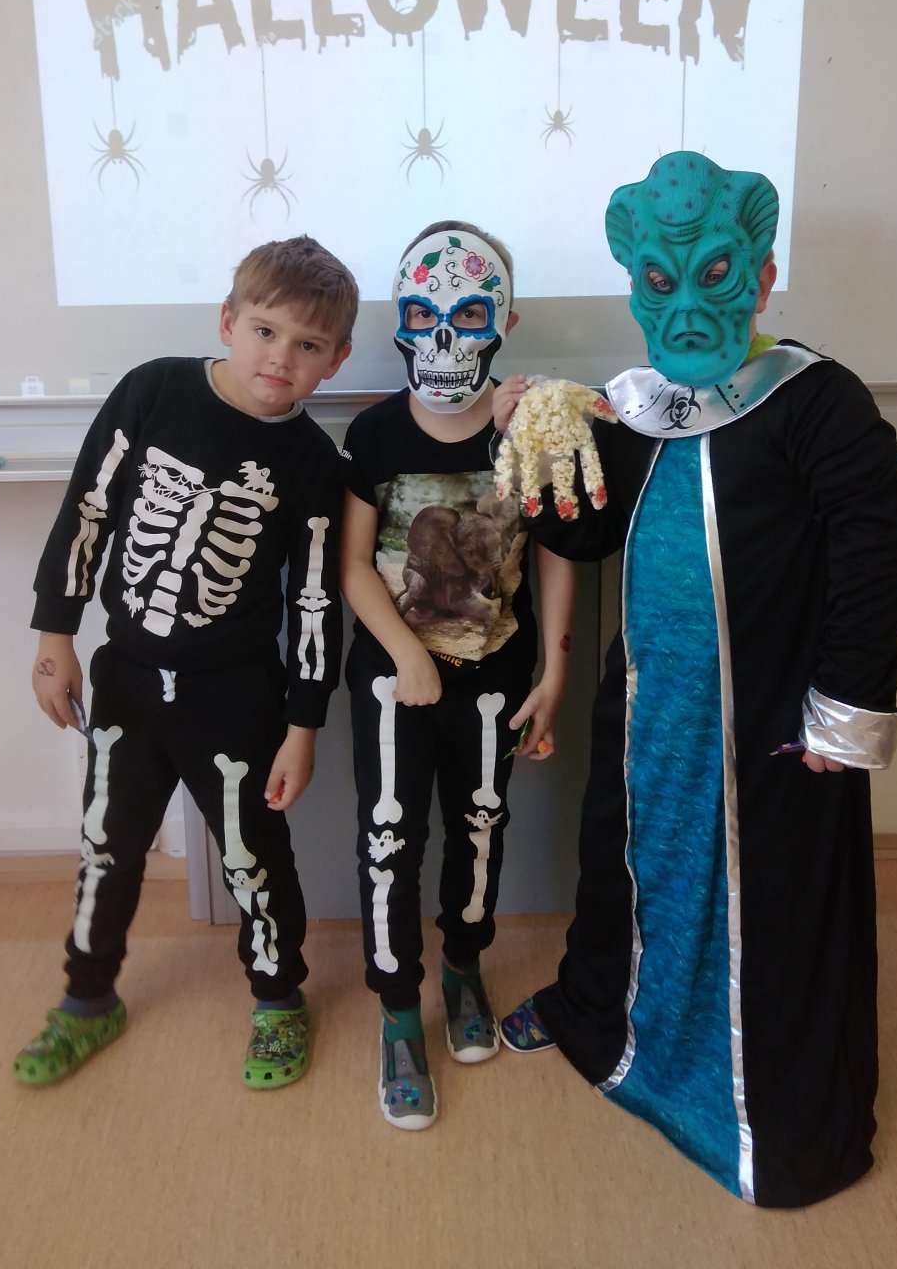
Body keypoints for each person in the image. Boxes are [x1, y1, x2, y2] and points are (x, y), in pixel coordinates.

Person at [494, 153, 897, 1208]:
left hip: (769, 719)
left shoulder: (818, 401)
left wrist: (845, 709)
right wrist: (543, 435)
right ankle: (603, 1022)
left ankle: (772, 1119)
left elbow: (874, 550)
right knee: (623, 866)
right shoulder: (644, 408)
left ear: (761, 276)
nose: (685, 302)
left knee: (771, 902)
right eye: (658, 280)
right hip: (650, 710)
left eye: (715, 272)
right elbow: (588, 532)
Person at [16, 236, 357, 1090]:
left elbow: (315, 602)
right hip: (126, 676)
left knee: (253, 856)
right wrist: (55, 637)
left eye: (308, 345)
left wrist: (304, 724)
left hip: (235, 695)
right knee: (106, 844)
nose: (280, 357)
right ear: (228, 321)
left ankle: (278, 999)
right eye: (265, 331)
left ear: (336, 360)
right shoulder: (154, 390)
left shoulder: (315, 464)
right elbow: (88, 509)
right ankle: (87, 1000)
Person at [340, 221, 576, 1130]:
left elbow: (555, 553)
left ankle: (464, 967)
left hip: (494, 676)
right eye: (425, 316)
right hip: (393, 682)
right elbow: (353, 563)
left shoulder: (528, 431)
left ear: (504, 323)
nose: (445, 338)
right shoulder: (374, 434)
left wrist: (553, 671)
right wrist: (406, 656)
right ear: (400, 322)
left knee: (480, 824)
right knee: (389, 836)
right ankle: (400, 1012)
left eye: (470, 316)